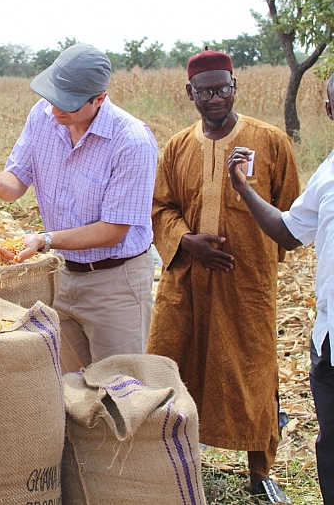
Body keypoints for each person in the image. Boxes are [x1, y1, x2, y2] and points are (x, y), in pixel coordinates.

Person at [148, 48, 300, 503]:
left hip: (245, 285)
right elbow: (161, 208)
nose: (215, 98)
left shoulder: (270, 141)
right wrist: (186, 241)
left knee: (251, 374)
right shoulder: (176, 147)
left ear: (235, 88)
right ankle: (170, 463)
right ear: (189, 93)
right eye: (205, 91)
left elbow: (290, 213)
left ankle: (260, 472)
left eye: (223, 88)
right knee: (172, 365)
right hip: (186, 286)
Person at [0, 43, 158, 374]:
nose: (56, 110)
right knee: (73, 388)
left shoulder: (132, 142)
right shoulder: (42, 116)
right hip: (63, 274)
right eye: (53, 97)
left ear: (99, 98)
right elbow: (16, 182)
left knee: (122, 390)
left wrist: (44, 240)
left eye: (67, 104)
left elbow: (113, 231)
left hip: (115, 281)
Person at [226, 73, 334, 505]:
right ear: (329, 108)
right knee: (331, 447)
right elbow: (290, 232)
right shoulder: (328, 174)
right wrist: (244, 189)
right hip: (329, 338)